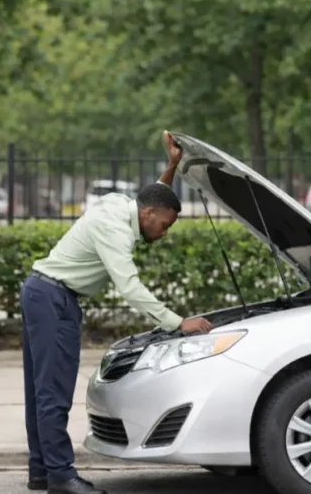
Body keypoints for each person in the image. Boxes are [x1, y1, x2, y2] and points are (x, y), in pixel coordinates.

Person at [19, 131, 213, 494]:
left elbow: (154, 194)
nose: (165, 233)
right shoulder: (115, 231)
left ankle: (41, 471)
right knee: (53, 394)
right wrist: (177, 322)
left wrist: (171, 166)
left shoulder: (122, 205)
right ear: (148, 214)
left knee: (39, 392)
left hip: (40, 293)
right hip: (54, 302)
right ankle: (60, 476)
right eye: (165, 225)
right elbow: (130, 287)